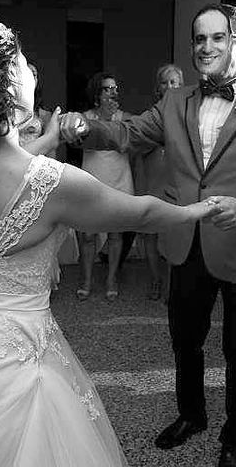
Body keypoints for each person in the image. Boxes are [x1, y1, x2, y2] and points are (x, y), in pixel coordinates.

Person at [0, 13, 220, 466]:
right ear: (10, 83)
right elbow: (144, 212)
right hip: (13, 362)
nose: (30, 70)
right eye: (24, 61)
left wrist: (46, 141)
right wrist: (197, 209)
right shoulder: (52, 183)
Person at [61, 3, 236, 467]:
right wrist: (86, 126)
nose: (204, 47)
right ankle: (192, 415)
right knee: (185, 339)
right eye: (198, 38)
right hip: (185, 241)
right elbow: (127, 132)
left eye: (216, 38)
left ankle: (235, 437)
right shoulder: (175, 101)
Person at [77, 72, 134, 302]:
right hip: (92, 178)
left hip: (118, 178)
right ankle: (87, 280)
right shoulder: (84, 117)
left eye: (115, 88)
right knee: (88, 234)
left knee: (115, 234)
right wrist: (102, 120)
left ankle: (111, 279)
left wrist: (112, 122)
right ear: (97, 94)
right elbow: (79, 143)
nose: (113, 92)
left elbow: (128, 144)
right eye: (107, 88)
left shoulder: (125, 117)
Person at [132, 64, 184, 300]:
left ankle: (174, 284)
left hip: (176, 181)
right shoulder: (150, 116)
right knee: (150, 233)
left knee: (175, 233)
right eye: (165, 82)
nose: (170, 86)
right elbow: (137, 147)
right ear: (158, 88)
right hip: (152, 177)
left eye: (175, 82)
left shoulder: (187, 115)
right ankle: (155, 278)